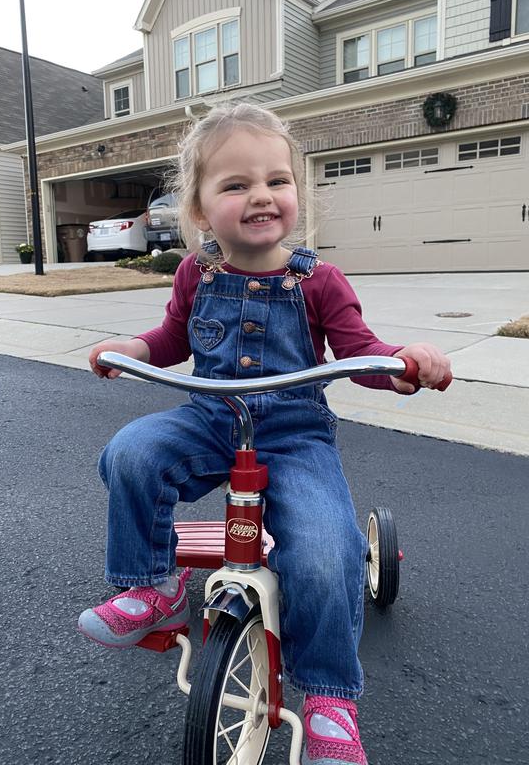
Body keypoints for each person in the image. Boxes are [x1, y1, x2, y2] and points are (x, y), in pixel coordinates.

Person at [78, 103, 451, 765]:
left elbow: (357, 351)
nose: (261, 195)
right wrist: (130, 345)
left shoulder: (319, 281)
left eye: (277, 180)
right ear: (199, 210)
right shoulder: (198, 273)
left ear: (297, 192)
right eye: (235, 184)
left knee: (323, 548)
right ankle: (154, 588)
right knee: (131, 452)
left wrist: (402, 367)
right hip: (209, 416)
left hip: (293, 431)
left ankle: (330, 697)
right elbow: (170, 339)